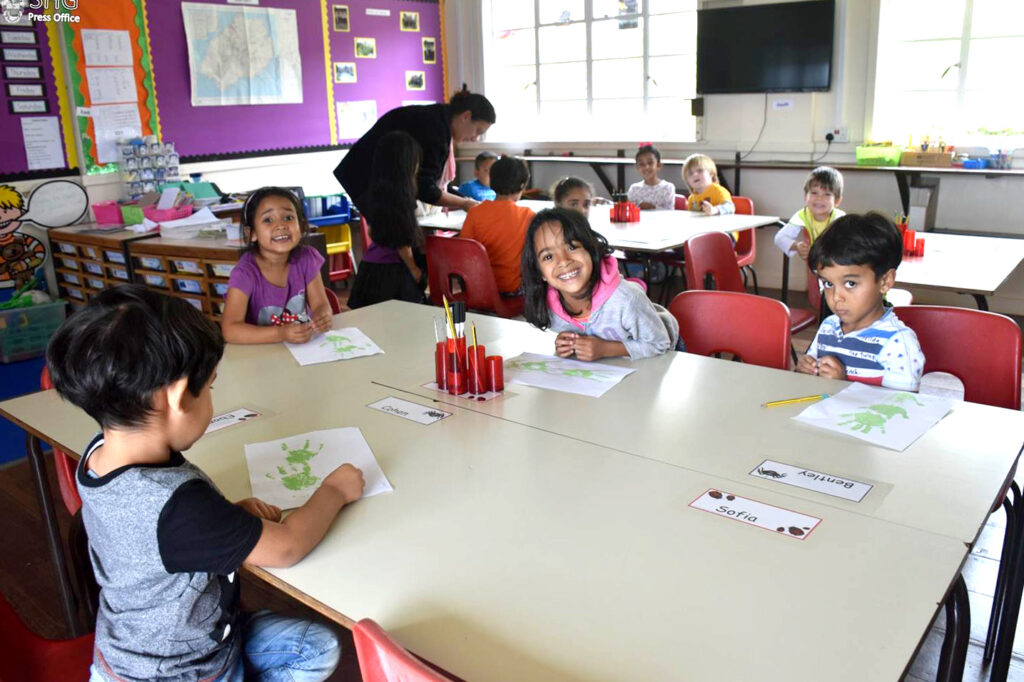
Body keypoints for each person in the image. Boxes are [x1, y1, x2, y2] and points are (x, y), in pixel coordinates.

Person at [45, 285, 366, 682]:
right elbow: (288, 547)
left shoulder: (99, 454)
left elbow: (155, 537)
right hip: (183, 671)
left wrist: (225, 519)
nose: (212, 397)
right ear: (179, 397)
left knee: (316, 645)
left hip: (127, 653)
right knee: (315, 652)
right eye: (210, 386)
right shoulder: (179, 510)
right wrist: (335, 489)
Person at [521, 208, 680, 361]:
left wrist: (604, 349)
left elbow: (660, 344)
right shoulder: (550, 305)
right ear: (540, 272)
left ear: (590, 250)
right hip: (615, 367)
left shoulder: (626, 299)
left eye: (571, 247)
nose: (563, 261)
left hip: (667, 351)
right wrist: (566, 343)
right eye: (548, 257)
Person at [797, 212, 924, 390]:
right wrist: (805, 371)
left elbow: (902, 408)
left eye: (850, 283)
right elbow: (810, 382)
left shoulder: (897, 343)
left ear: (885, 281)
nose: (835, 297)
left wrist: (844, 384)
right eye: (828, 283)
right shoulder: (828, 327)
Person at [334, 86, 495, 215]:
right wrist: (464, 203)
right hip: (367, 176)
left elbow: (432, 185)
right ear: (466, 116)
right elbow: (425, 189)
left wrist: (466, 200)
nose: (475, 138)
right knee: (394, 236)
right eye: (478, 131)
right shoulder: (436, 129)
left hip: (379, 177)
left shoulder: (441, 119)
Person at [221, 187, 332, 344]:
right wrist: (281, 333)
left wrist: (323, 316)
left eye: (288, 218)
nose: (281, 225)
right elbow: (230, 331)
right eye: (268, 220)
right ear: (251, 233)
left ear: (301, 225)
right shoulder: (245, 273)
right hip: (260, 354)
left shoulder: (306, 258)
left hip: (304, 349)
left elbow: (320, 304)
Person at [347, 131, 428, 308]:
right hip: (392, 272)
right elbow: (401, 239)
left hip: (370, 265)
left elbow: (373, 230)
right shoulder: (401, 197)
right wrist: (414, 269)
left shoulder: (376, 191)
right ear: (406, 164)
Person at [459, 155, 534, 295]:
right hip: (511, 289)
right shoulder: (528, 216)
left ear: (492, 181)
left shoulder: (474, 213)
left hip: (477, 287)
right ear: (523, 185)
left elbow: (464, 252)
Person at [774, 166, 846, 259]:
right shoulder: (802, 216)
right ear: (805, 196)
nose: (819, 198)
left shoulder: (841, 219)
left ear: (837, 201)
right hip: (813, 264)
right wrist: (797, 246)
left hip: (837, 264)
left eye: (827, 194)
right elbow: (779, 238)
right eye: (814, 193)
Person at [627, 144, 675, 210]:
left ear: (658, 165)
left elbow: (670, 212)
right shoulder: (634, 189)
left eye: (650, 163)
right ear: (637, 167)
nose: (646, 167)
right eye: (641, 164)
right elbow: (629, 210)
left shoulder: (667, 187)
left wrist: (653, 208)